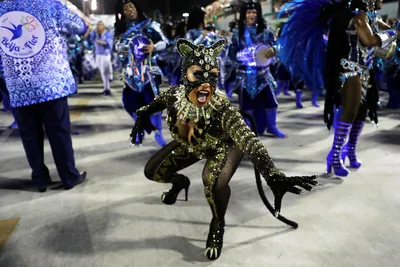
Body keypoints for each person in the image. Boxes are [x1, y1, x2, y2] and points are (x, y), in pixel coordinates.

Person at [129, 38, 319, 260]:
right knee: (153, 171)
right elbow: (153, 104)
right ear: (185, 74)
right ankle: (180, 183)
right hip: (192, 145)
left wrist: (273, 174)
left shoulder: (222, 109)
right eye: (198, 74)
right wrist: (142, 115)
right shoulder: (174, 95)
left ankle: (218, 222)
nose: (206, 83)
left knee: (212, 182)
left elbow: (249, 140)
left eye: (212, 75)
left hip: (223, 146)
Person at [278, 0, 397, 176]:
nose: (381, 0)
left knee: (361, 114)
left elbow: (385, 33)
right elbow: (370, 40)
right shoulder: (359, 18)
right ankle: (334, 157)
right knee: (349, 112)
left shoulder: (372, 17)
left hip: (365, 69)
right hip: (349, 69)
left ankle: (350, 151)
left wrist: (392, 32)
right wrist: (394, 32)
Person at [0, 0, 87, 192]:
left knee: (30, 136)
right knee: (59, 132)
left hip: (18, 86)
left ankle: (39, 179)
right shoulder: (50, 5)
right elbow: (80, 27)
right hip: (50, 84)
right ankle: (68, 177)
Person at [228, 0, 286, 138]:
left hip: (263, 74)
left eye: (254, 12)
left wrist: (274, 50)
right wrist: (242, 56)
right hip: (245, 75)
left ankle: (272, 127)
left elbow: (277, 47)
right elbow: (231, 54)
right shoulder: (238, 33)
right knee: (246, 106)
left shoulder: (266, 32)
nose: (252, 15)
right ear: (244, 14)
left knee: (271, 102)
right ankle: (248, 130)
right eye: (249, 12)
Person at [114, 0, 168, 147]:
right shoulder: (121, 30)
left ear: (136, 8)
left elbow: (165, 42)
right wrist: (124, 49)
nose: (129, 10)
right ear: (122, 12)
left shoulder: (150, 25)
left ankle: (159, 133)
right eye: (125, 8)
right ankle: (141, 128)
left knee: (154, 103)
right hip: (131, 74)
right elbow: (118, 50)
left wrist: (154, 47)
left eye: (131, 6)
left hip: (150, 71)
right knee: (130, 103)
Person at [88, 21, 114, 95]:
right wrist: (90, 30)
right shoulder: (96, 34)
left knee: (105, 72)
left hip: (105, 54)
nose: (99, 26)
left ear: (104, 26)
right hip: (98, 54)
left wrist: (100, 42)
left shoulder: (107, 34)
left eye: (101, 25)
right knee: (102, 72)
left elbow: (109, 44)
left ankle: (107, 88)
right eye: (98, 25)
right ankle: (106, 88)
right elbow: (90, 39)